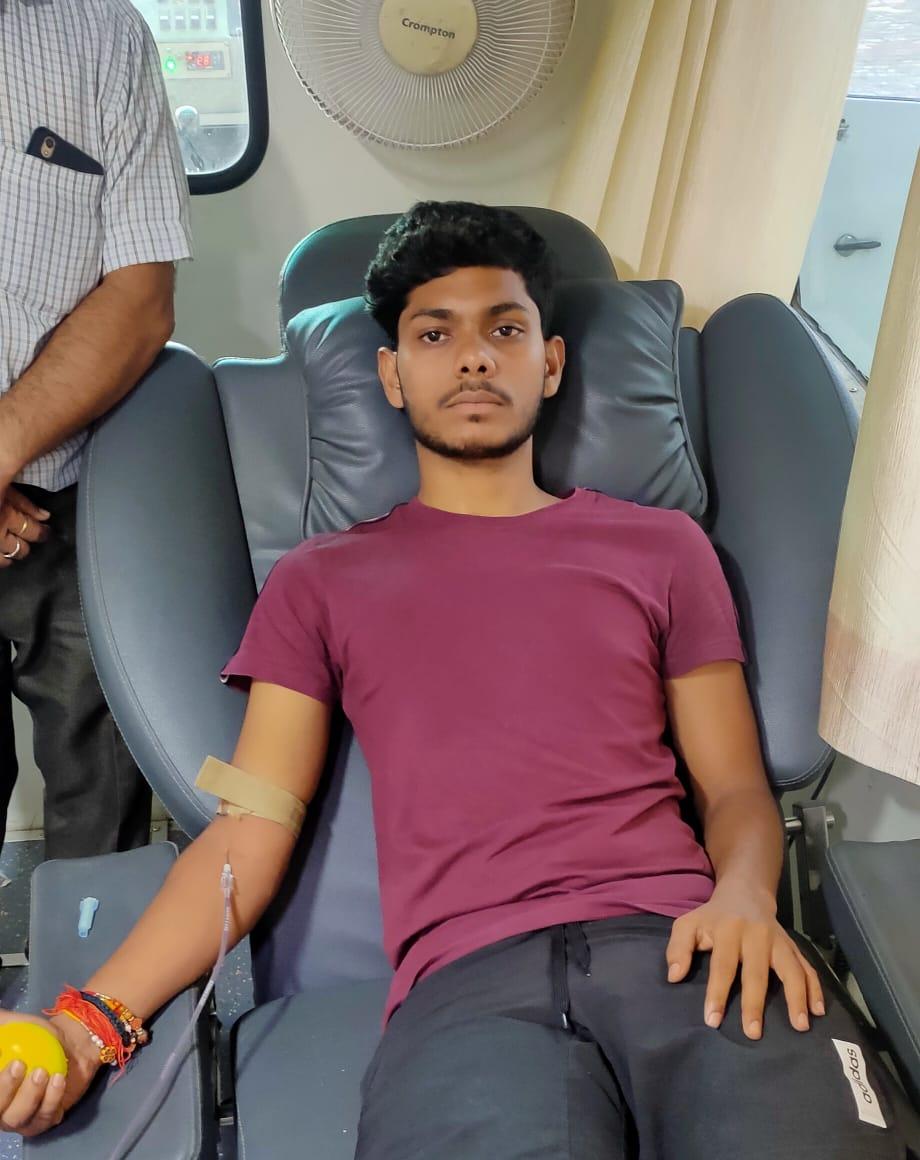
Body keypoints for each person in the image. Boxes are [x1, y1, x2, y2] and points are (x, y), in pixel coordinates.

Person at [0, 202, 906, 1157]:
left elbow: (734, 791)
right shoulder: (322, 581)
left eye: (504, 329)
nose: (473, 357)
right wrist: (86, 1025)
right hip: (469, 988)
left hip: (688, 945)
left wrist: (749, 897)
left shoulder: (663, 548)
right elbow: (247, 831)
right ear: (392, 374)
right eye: (435, 334)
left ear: (549, 362)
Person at [0, 0, 192, 858]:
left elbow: (141, 300)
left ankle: (97, 950)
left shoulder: (104, 34)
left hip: (70, 490)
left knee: (104, 797)